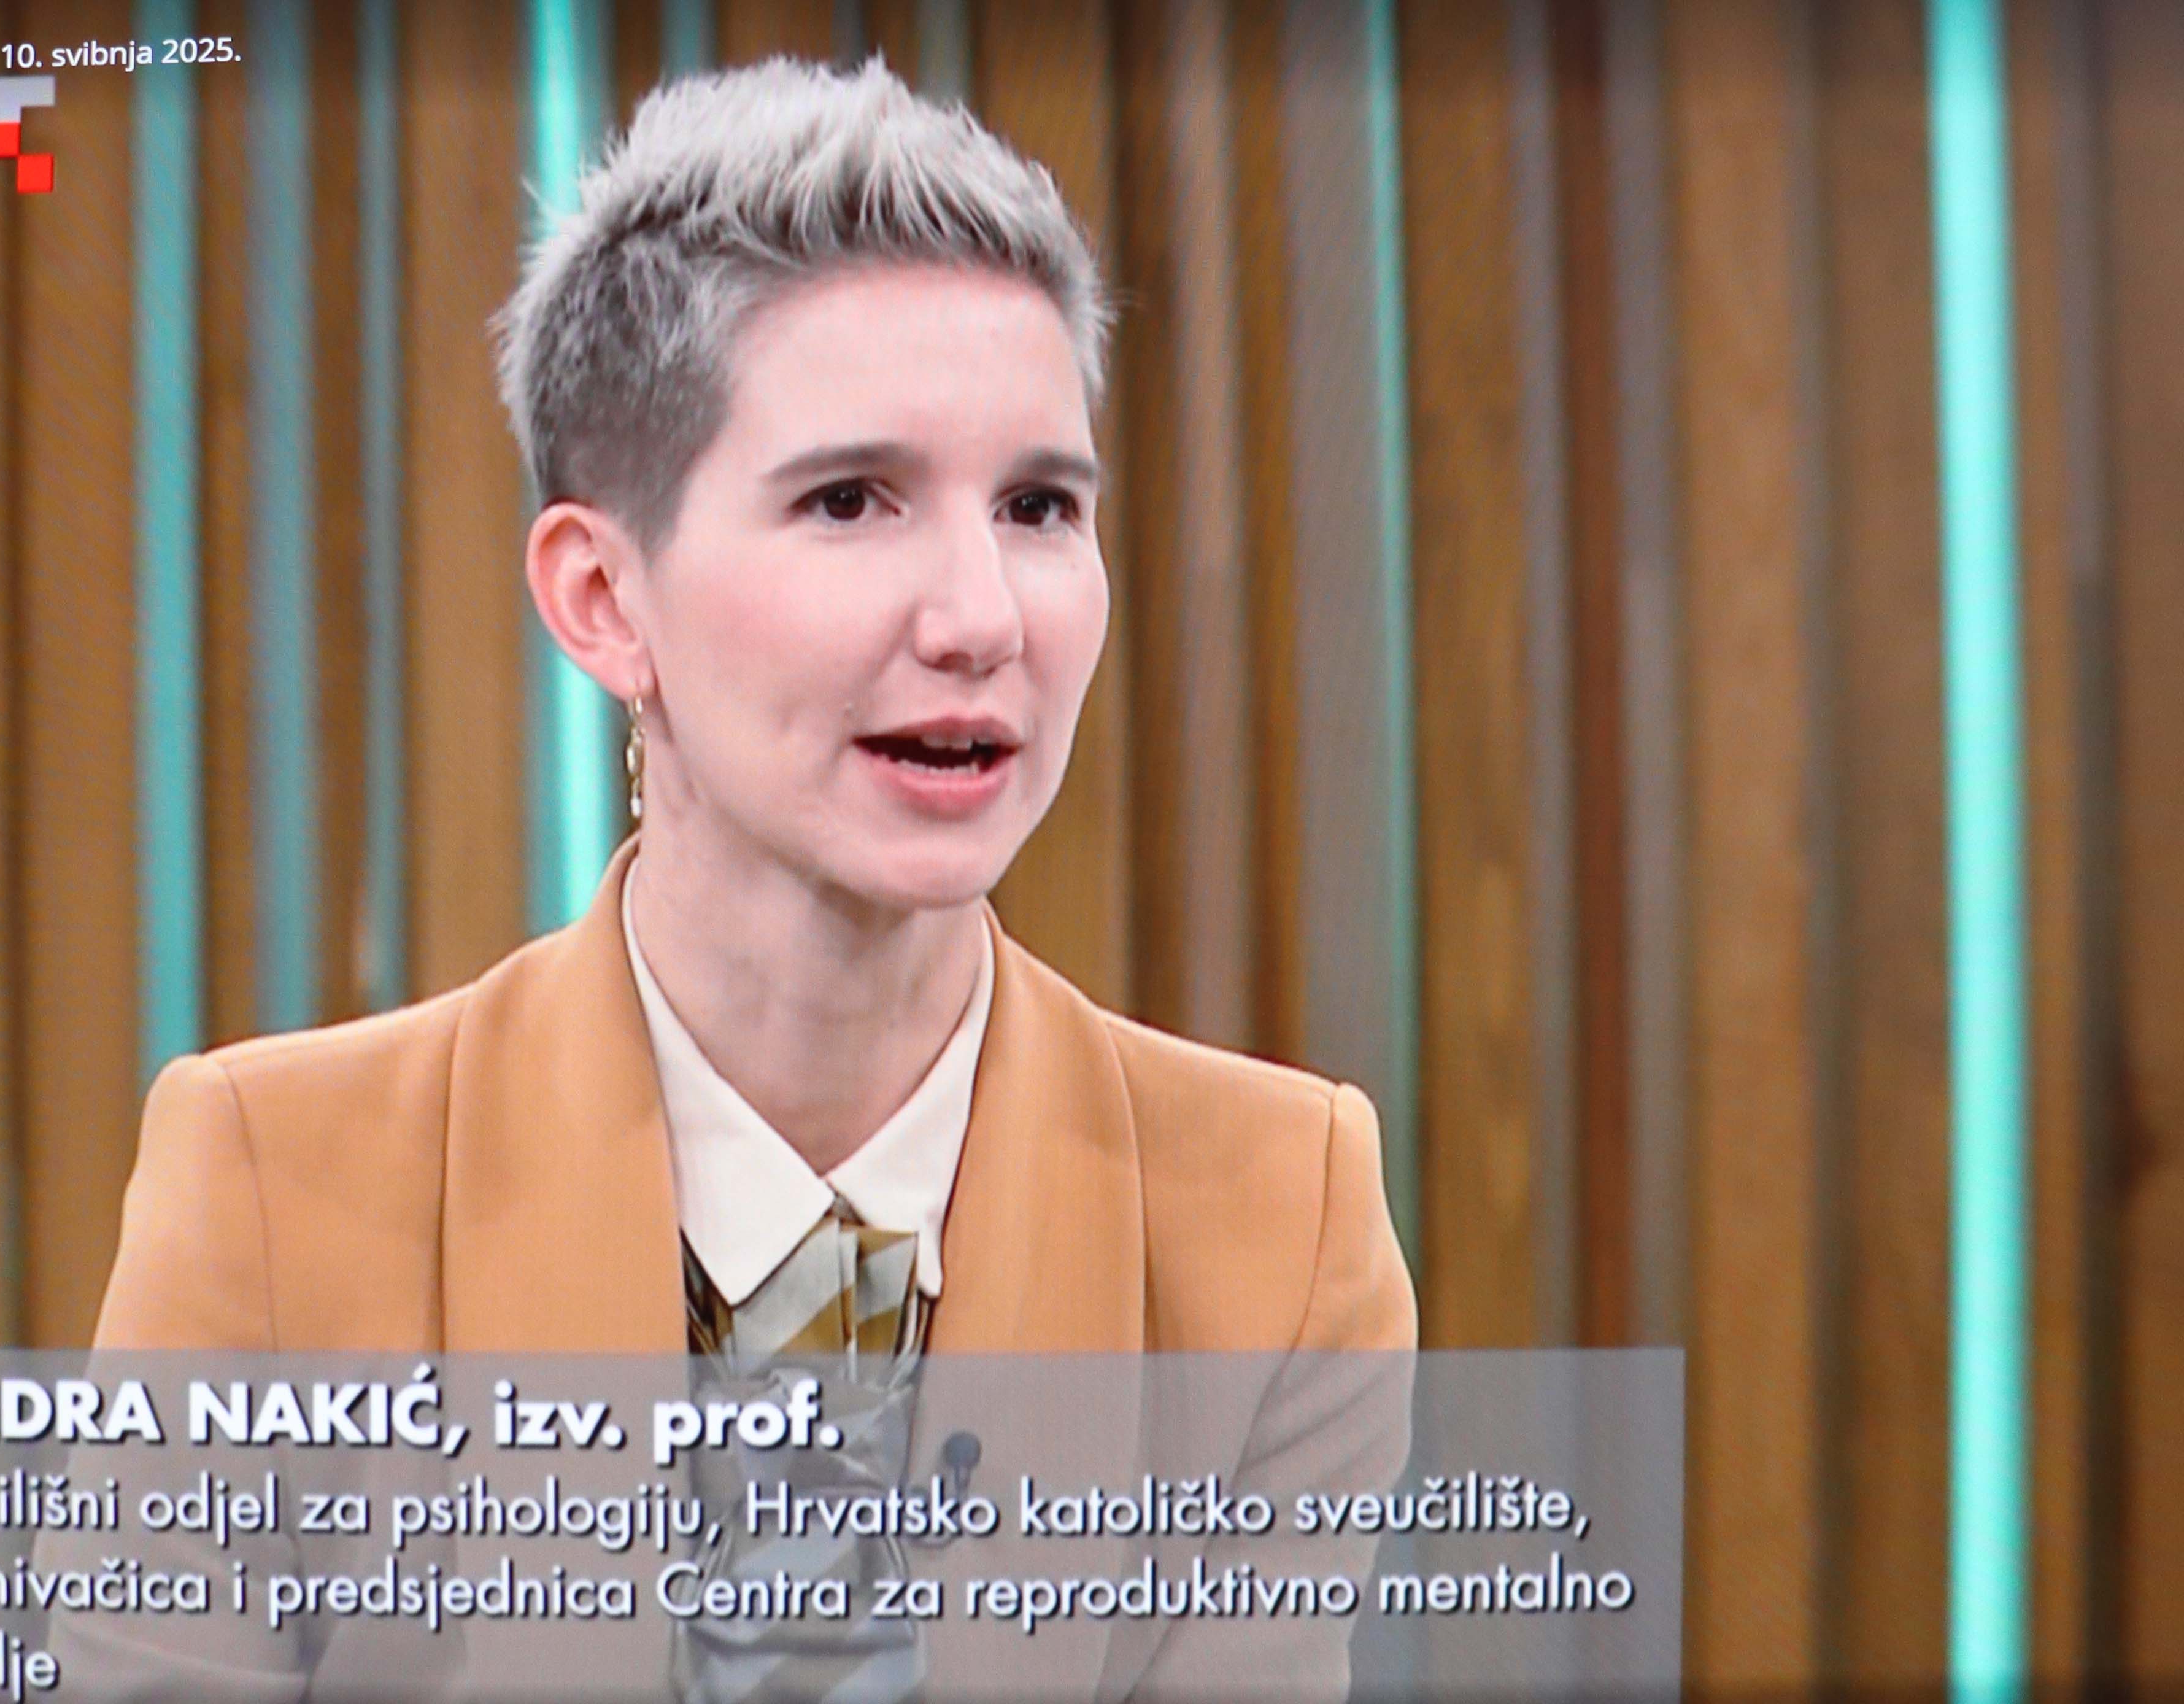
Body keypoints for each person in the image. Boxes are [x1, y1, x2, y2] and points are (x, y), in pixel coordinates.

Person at [88, 55, 1413, 1701]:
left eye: (1038, 506)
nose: (982, 618)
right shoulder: (274, 1191)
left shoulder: (1280, 1219)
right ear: (603, 599)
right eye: (851, 500)